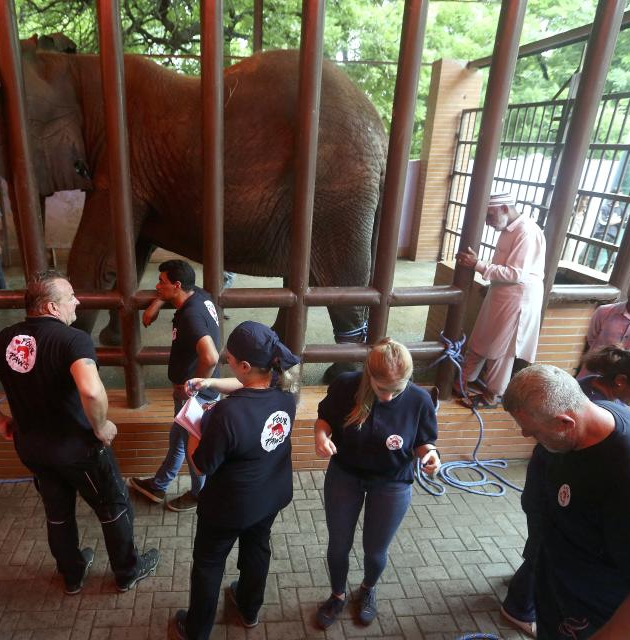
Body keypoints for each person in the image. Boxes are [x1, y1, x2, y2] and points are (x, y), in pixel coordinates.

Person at [0, 271, 159, 593]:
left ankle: (73, 574)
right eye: (70, 297)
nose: (77, 301)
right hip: (78, 448)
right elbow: (91, 392)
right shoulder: (73, 339)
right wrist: (101, 425)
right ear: (51, 307)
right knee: (112, 506)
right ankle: (127, 571)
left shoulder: (5, 339)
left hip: (33, 448)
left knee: (58, 512)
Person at [503, 364, 630, 639]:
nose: (526, 436)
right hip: (569, 605)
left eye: (533, 431)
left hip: (606, 619)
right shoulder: (591, 420)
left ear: (565, 422)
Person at [169, 321, 300, 640]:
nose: (224, 359)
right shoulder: (286, 391)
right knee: (257, 548)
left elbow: (201, 466)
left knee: (209, 563)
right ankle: (249, 608)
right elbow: (249, 386)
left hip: (229, 506)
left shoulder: (225, 416)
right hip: (271, 494)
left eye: (229, 358)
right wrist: (208, 382)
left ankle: (198, 628)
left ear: (243, 365)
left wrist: (192, 426)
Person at [312, 338, 440, 629]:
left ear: (409, 379)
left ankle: (368, 589)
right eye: (382, 389)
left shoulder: (419, 399)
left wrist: (430, 455)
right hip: (346, 474)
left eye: (397, 390)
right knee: (338, 545)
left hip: (392, 482)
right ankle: (337, 594)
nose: (387, 398)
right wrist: (321, 437)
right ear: (369, 375)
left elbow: (423, 441)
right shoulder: (346, 385)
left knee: (375, 550)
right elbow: (324, 420)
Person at [130, 259, 220, 513]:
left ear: (177, 285)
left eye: (162, 282)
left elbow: (210, 357)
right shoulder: (199, 295)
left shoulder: (191, 316)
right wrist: (157, 303)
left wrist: (194, 389)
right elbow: (179, 292)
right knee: (179, 438)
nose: (157, 286)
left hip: (196, 396)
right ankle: (159, 484)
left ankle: (199, 494)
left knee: (192, 445)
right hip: (198, 392)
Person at [455, 191, 545, 407]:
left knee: (501, 349)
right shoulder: (509, 228)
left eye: (489, 216)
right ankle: (463, 381)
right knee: (482, 337)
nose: (487, 223)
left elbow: (516, 273)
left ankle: (492, 396)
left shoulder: (526, 231)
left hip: (518, 298)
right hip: (502, 293)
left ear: (505, 208)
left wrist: (478, 265)